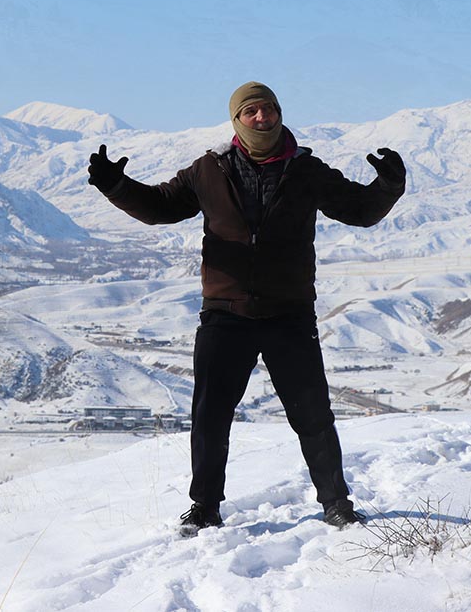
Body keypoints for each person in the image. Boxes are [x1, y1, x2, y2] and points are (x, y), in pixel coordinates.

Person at [87, 82, 406, 533]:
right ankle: (205, 507)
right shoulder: (208, 170)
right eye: (251, 111)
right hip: (224, 315)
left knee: (313, 415)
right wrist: (115, 185)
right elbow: (160, 206)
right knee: (210, 417)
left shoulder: (307, 170)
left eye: (269, 109)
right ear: (236, 119)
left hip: (289, 314)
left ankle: (336, 503)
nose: (262, 118)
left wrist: (389, 185)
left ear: (279, 113)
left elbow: (359, 209)